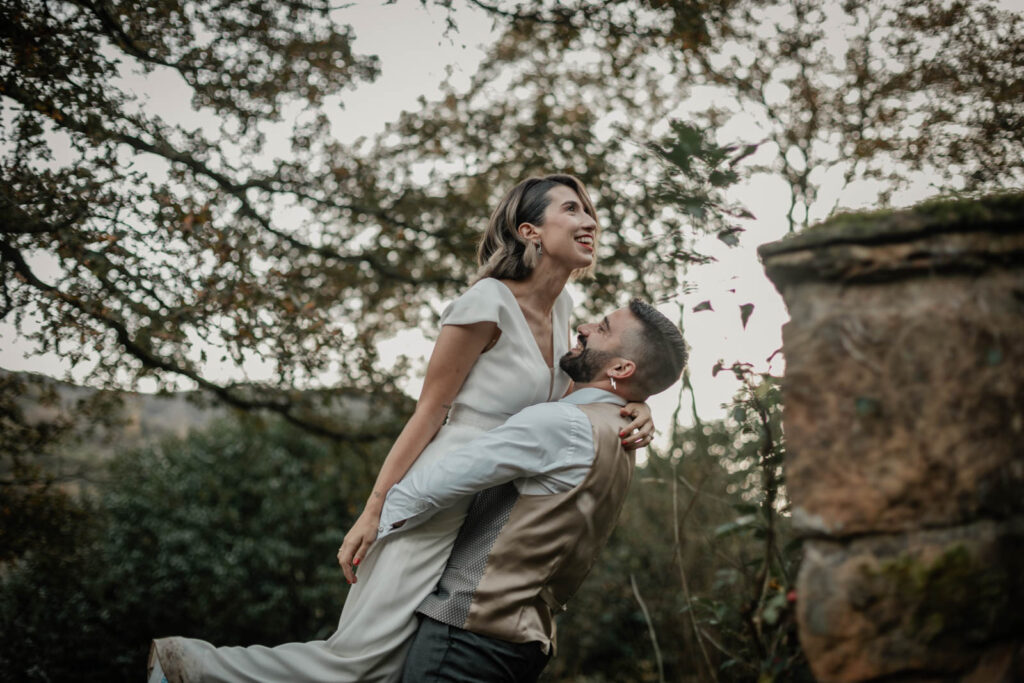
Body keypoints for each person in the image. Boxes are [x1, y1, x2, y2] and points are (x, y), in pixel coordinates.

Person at [147, 175, 655, 683]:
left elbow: (571, 403)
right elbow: (430, 411)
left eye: (590, 211)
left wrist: (635, 406)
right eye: (573, 209)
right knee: (357, 663)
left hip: (490, 511)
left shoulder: (564, 312)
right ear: (531, 231)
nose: (590, 221)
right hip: (436, 490)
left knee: (392, 668)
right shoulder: (488, 302)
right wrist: (376, 509)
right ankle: (184, 668)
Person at [390, 299, 687, 682]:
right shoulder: (619, 432)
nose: (583, 326)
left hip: (468, 634)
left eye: (602, 328)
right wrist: (639, 402)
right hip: (526, 642)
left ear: (620, 368)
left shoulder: (563, 424)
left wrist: (373, 527)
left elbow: (430, 486)